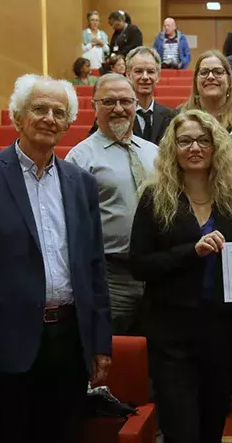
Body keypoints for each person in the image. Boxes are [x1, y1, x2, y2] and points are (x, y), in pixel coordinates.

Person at [0, 74, 111, 442]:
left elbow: (94, 269)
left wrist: (100, 344)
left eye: (59, 112)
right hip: (7, 347)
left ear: (69, 124)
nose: (49, 118)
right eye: (39, 109)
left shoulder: (81, 182)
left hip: (69, 343)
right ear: (18, 117)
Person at [129, 109, 232, 443]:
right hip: (171, 335)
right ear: (173, 148)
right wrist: (190, 251)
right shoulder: (154, 198)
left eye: (202, 140)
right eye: (185, 141)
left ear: (216, 147)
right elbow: (139, 264)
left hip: (220, 333)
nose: (194, 147)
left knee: (212, 426)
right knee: (182, 430)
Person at [66, 73, 159, 335]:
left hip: (154, 274)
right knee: (113, 352)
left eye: (125, 101)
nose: (118, 109)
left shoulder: (154, 152)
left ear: (135, 105)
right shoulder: (80, 158)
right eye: (108, 102)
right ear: (95, 106)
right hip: (111, 276)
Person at [126, 46, 177, 145]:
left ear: (158, 76)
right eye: (138, 71)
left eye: (150, 72)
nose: (145, 77)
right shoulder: (117, 114)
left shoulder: (171, 117)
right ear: (128, 75)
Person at [181, 50, 232, 132]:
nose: (210, 77)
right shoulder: (180, 114)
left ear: (229, 80)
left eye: (218, 72)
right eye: (204, 72)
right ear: (196, 80)